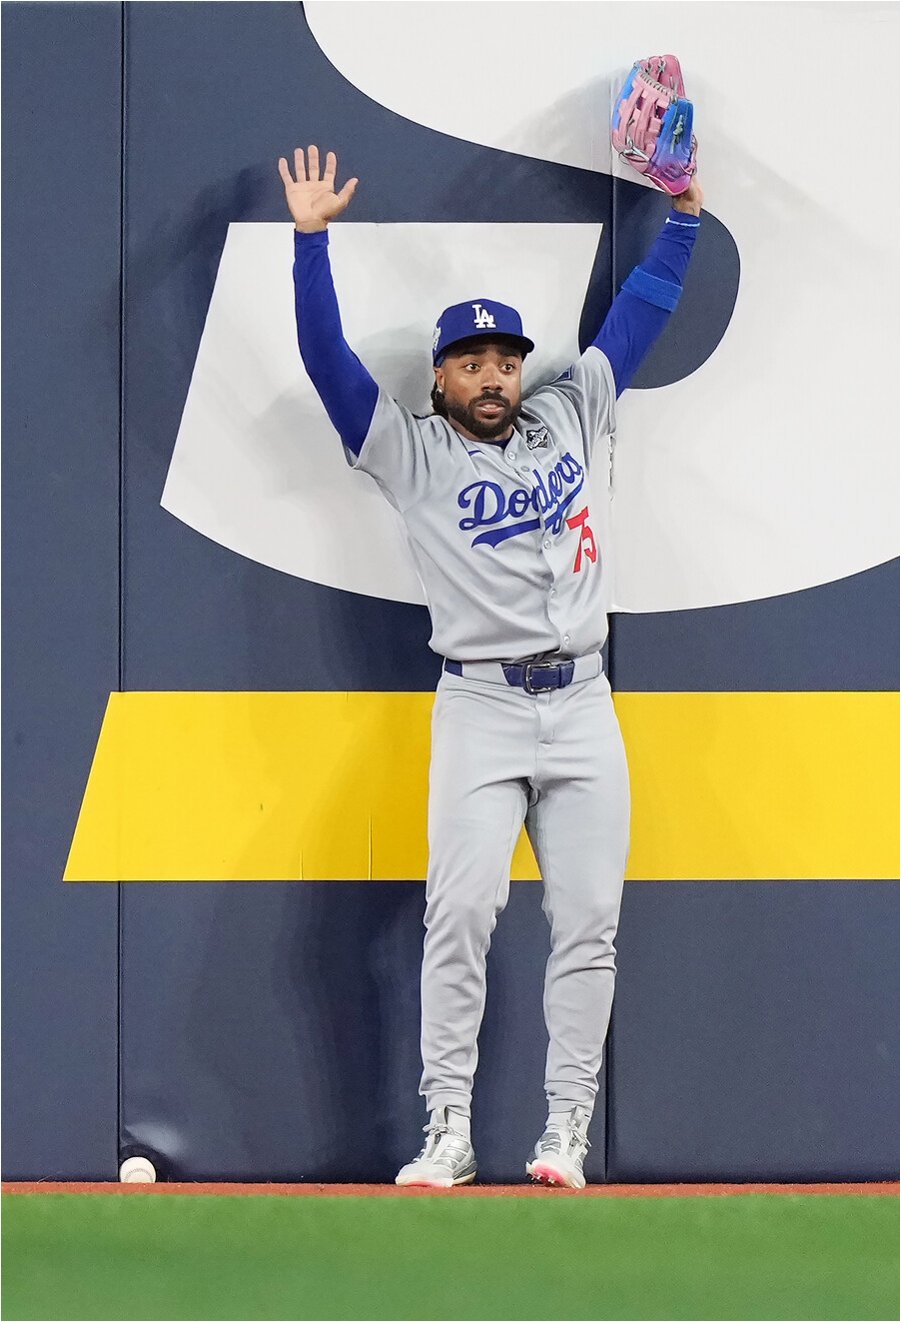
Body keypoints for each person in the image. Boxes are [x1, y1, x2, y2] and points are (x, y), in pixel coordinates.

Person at [278, 145, 702, 1188]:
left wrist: (686, 217)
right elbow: (328, 362)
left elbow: (638, 316)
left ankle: (565, 1131)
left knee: (588, 924)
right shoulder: (410, 450)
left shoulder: (567, 410)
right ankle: (449, 1130)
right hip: (479, 705)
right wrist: (309, 243)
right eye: (469, 362)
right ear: (441, 377)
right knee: (459, 916)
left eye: (503, 359)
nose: (491, 375)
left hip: (584, 700)